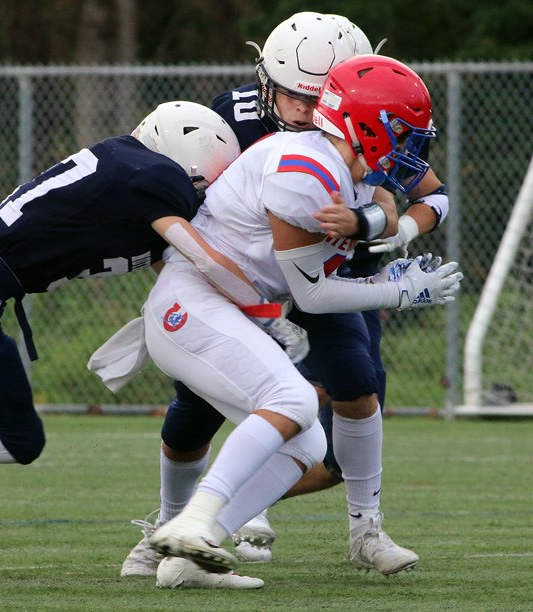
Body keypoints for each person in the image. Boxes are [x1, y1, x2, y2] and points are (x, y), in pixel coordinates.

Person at [116, 53, 461, 586]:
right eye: (403, 132)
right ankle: (188, 522)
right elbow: (315, 295)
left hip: (231, 305)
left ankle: (188, 555)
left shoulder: (344, 169)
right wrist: (396, 290)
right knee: (291, 403)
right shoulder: (305, 170)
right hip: (197, 304)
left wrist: (382, 255)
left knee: (307, 445)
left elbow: (388, 212)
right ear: (364, 126)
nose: (413, 146)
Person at [0, 99, 292, 589]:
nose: (203, 197)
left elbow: (171, 260)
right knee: (19, 441)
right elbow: (201, 258)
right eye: (204, 183)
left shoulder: (124, 161)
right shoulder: (157, 178)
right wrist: (262, 308)